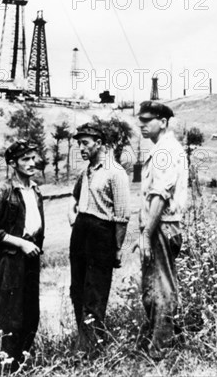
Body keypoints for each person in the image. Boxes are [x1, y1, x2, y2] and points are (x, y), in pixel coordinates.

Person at [0, 140, 45, 375]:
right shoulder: (4, 190)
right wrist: (20, 243)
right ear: (12, 163)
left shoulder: (34, 190)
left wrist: (32, 246)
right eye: (25, 159)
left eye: (33, 158)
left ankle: (18, 365)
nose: (31, 163)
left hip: (31, 258)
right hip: (12, 260)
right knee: (7, 316)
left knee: (29, 314)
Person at [68, 123, 130, 353]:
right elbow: (74, 198)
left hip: (101, 234)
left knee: (95, 292)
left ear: (100, 143)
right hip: (81, 232)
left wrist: (117, 248)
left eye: (85, 143)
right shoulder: (86, 171)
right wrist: (73, 215)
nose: (81, 148)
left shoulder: (115, 172)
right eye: (79, 144)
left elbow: (122, 216)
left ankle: (90, 349)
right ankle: (85, 341)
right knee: (77, 290)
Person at [136, 101, 188, 359]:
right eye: (140, 120)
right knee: (154, 287)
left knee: (162, 287)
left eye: (147, 120)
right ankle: (167, 338)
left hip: (162, 227)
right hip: (159, 226)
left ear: (164, 122)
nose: (141, 125)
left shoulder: (166, 150)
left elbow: (160, 195)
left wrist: (146, 234)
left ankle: (161, 349)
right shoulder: (161, 149)